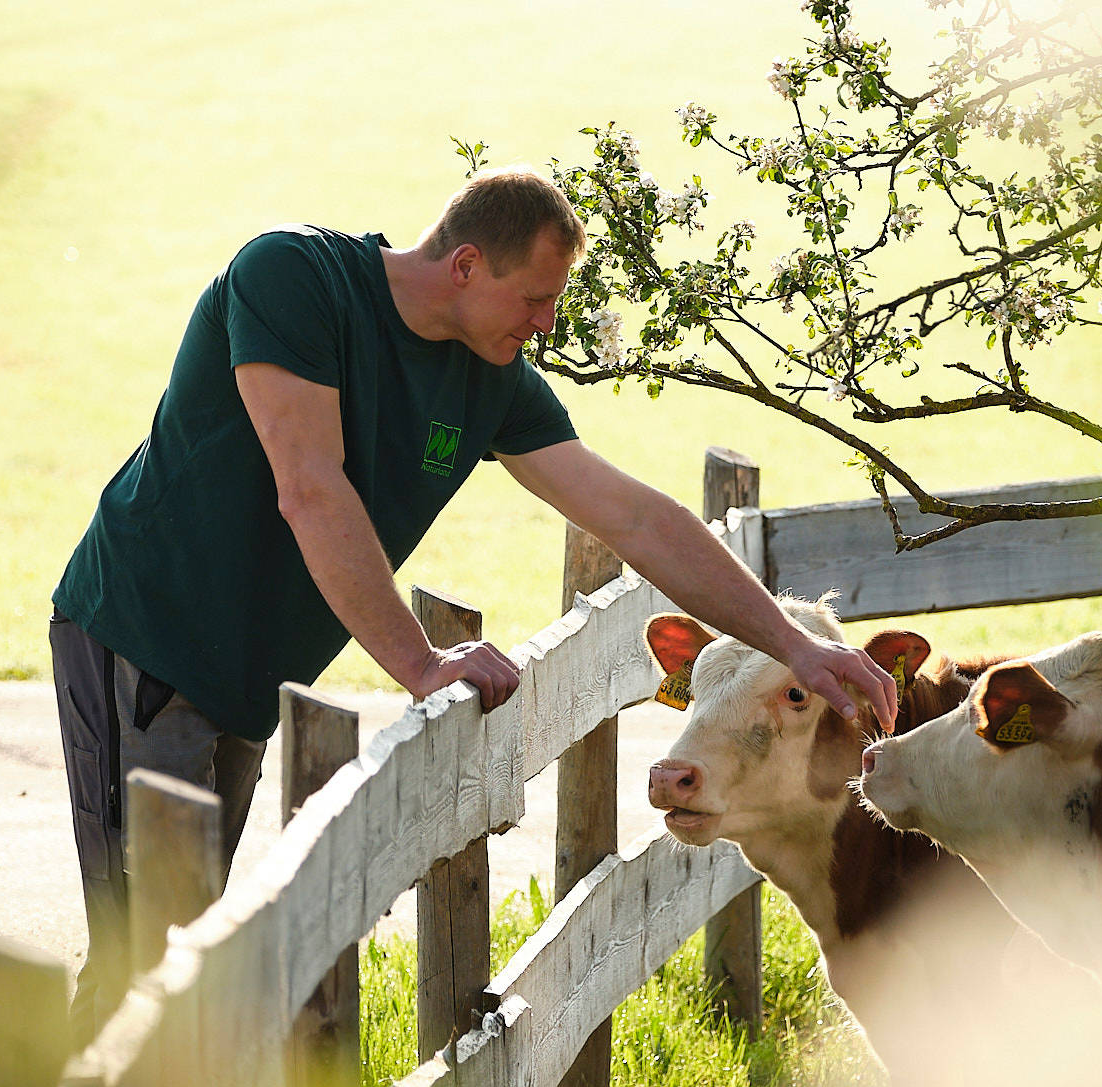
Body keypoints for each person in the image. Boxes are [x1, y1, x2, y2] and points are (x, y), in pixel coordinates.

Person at [49, 169, 895, 1028]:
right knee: (142, 956)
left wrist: (797, 646)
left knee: (180, 952)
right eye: (534, 297)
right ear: (463, 266)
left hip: (237, 678)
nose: (548, 323)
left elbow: (639, 519)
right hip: (144, 641)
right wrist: (420, 662)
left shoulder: (490, 378)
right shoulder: (292, 278)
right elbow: (308, 484)